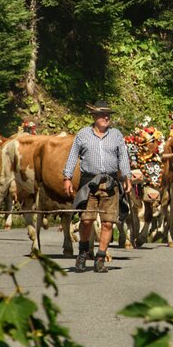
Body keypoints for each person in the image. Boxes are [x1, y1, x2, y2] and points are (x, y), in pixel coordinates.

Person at [63, 100, 132, 273]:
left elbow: (123, 157)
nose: (106, 117)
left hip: (110, 183)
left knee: (108, 223)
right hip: (89, 183)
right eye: (102, 114)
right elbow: (73, 156)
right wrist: (67, 177)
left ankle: (100, 257)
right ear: (94, 117)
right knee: (86, 220)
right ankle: (83, 253)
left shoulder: (116, 135)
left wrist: (127, 177)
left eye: (107, 114)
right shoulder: (83, 134)